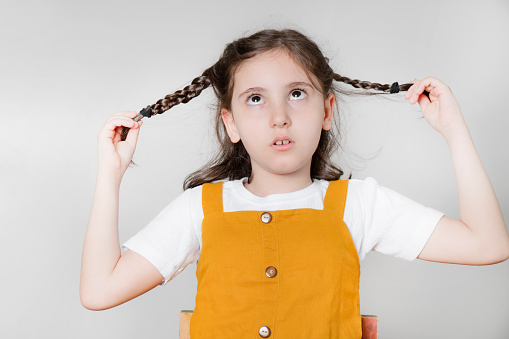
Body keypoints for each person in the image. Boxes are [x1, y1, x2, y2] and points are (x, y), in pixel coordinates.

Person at [80, 29, 509, 338]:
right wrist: (110, 176)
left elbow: (488, 245)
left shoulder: (360, 205)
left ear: (326, 111)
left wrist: (454, 130)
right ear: (230, 123)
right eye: (255, 98)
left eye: (298, 94)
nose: (279, 116)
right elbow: (99, 291)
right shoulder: (200, 209)